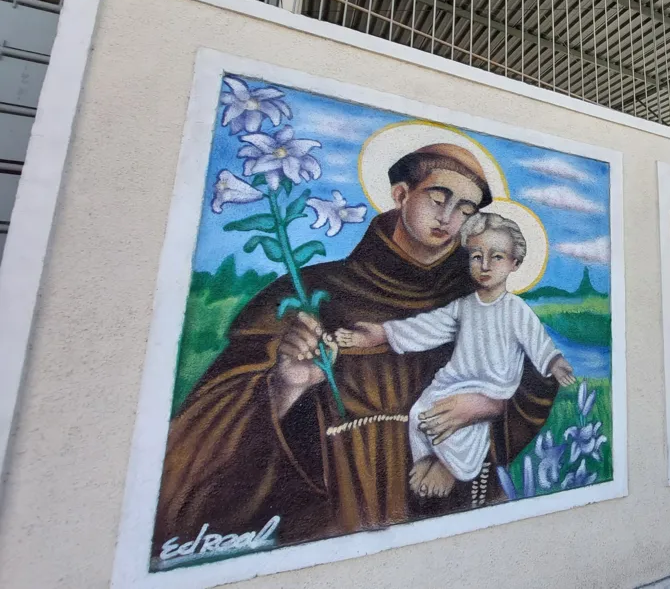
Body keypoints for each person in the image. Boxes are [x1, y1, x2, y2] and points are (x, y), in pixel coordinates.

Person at [152, 143, 559, 558]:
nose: (449, 217)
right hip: (339, 511)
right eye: (438, 199)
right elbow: (205, 430)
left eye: (466, 210)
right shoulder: (311, 294)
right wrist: (283, 388)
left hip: (455, 501)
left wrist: (485, 407)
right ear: (401, 195)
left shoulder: (478, 299)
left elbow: (533, 379)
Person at [334, 213, 576, 499]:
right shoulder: (463, 307)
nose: (484, 265)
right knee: (420, 412)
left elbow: (537, 341)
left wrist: (554, 362)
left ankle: (450, 468)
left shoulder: (515, 309)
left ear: (515, 263)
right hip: (454, 379)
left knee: (461, 427)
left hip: (490, 386)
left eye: (496, 256)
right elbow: (428, 327)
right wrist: (383, 334)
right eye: (476, 256)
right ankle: (425, 459)